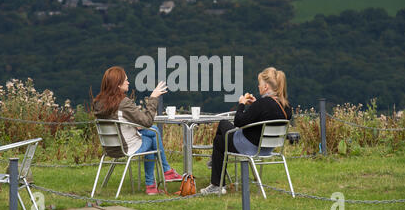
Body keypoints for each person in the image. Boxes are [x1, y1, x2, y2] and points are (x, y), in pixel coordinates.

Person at [200, 67, 292, 195]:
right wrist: (255, 105)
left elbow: (238, 122)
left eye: (259, 84)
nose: (258, 87)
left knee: (220, 137)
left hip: (250, 147)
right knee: (222, 133)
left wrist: (242, 104)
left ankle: (216, 183)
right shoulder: (286, 106)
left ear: (265, 86)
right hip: (268, 148)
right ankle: (215, 162)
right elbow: (265, 116)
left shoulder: (261, 104)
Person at [93, 66, 182, 195]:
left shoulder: (99, 102)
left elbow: (116, 121)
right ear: (118, 84)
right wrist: (153, 97)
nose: (128, 82)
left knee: (152, 131)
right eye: (126, 80)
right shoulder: (123, 102)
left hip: (110, 147)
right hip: (126, 148)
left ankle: (157, 181)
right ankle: (163, 174)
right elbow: (147, 121)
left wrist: (133, 125)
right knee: (153, 134)